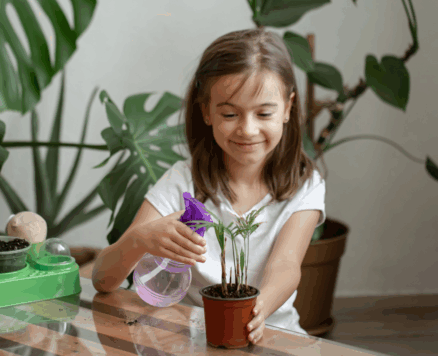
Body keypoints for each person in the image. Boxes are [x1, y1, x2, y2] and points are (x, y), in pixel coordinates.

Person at [91, 28, 326, 344]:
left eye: (264, 113)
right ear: (206, 111)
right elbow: (103, 279)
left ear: (287, 108)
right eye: (230, 113)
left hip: (271, 333)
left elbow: (285, 266)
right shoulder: (182, 182)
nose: (247, 129)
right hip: (194, 338)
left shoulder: (304, 185)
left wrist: (258, 309)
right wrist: (140, 239)